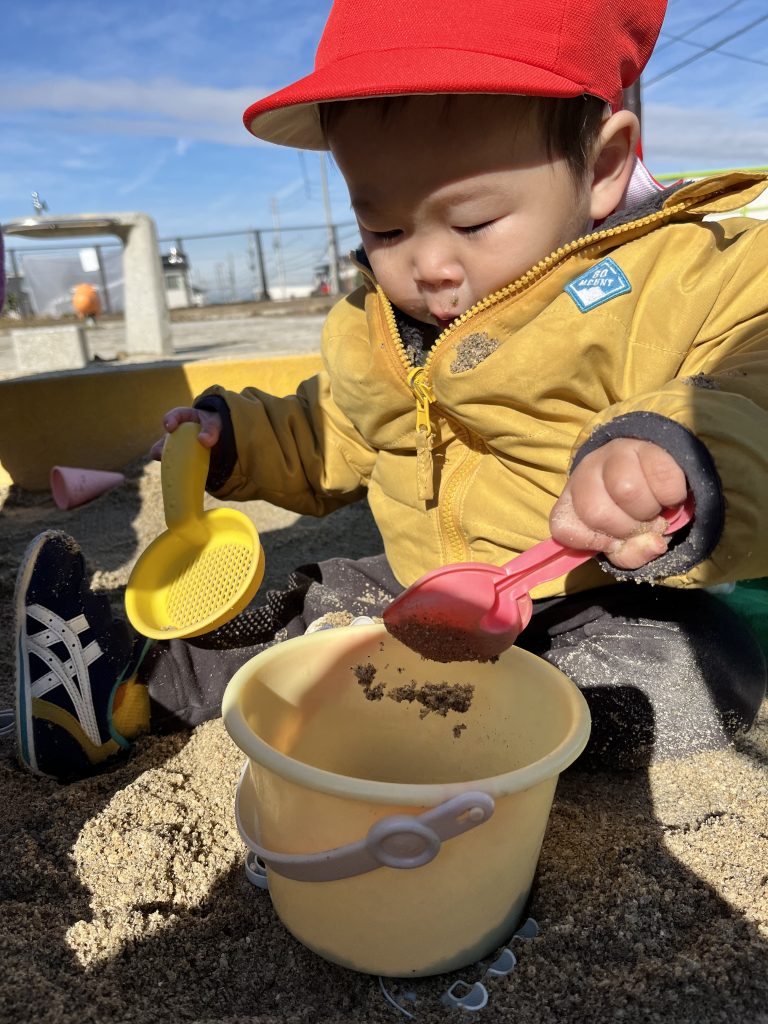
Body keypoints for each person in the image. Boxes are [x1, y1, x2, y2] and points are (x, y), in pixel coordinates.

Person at [14, 0, 768, 782]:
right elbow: (333, 433)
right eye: (386, 229)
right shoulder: (374, 324)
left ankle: (492, 726)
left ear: (605, 168)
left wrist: (676, 448)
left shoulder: (681, 279)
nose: (427, 266)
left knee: (692, 665)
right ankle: (112, 690)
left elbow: (757, 382)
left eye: (472, 223)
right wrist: (236, 438)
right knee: (309, 613)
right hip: (422, 595)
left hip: (596, 594)